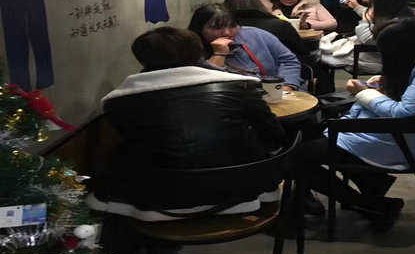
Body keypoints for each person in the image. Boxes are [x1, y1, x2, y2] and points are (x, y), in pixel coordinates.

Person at [297, 20, 415, 230]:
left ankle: (374, 205)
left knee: (296, 158)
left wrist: (363, 93)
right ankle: (371, 182)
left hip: (402, 142)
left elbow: (403, 113)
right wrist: (387, 85)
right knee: (310, 140)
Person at [87, 27, 285, 220]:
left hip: (159, 197)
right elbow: (272, 135)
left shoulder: (118, 102)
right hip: (243, 188)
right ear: (198, 52)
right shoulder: (240, 86)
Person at [316, 0, 415, 94]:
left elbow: (367, 39)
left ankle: (325, 94)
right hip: (390, 57)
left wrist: (364, 20)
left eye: (373, 3)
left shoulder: (397, 26)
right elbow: (376, 16)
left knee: (320, 58)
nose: (371, 6)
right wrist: (357, 7)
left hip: (382, 59)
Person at [189, 3, 302, 91]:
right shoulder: (191, 49)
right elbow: (206, 85)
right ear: (200, 28)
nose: (227, 32)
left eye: (233, 26)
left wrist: (288, 85)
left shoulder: (255, 34)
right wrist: (219, 54)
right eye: (217, 27)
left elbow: (288, 60)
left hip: (278, 91)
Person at [223, 0, 309, 57]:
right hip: (279, 70)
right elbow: (302, 51)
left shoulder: (223, 27)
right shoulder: (281, 25)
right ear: (260, 6)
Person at [267, 0, 337, 32]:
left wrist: (308, 25)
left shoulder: (312, 4)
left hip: (310, 39)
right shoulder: (269, 8)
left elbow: (332, 23)